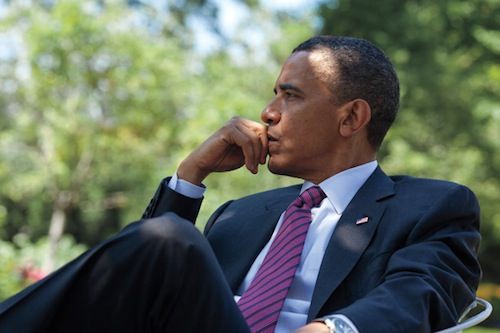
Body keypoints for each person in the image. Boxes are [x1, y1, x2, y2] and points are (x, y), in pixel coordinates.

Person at [0, 36, 481, 333]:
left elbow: (421, 295)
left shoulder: (432, 205)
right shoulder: (242, 215)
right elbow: (145, 281)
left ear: (351, 117)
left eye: (290, 96)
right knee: (167, 241)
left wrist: (329, 330)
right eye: (273, 94)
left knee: (171, 240)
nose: (268, 112)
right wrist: (190, 177)